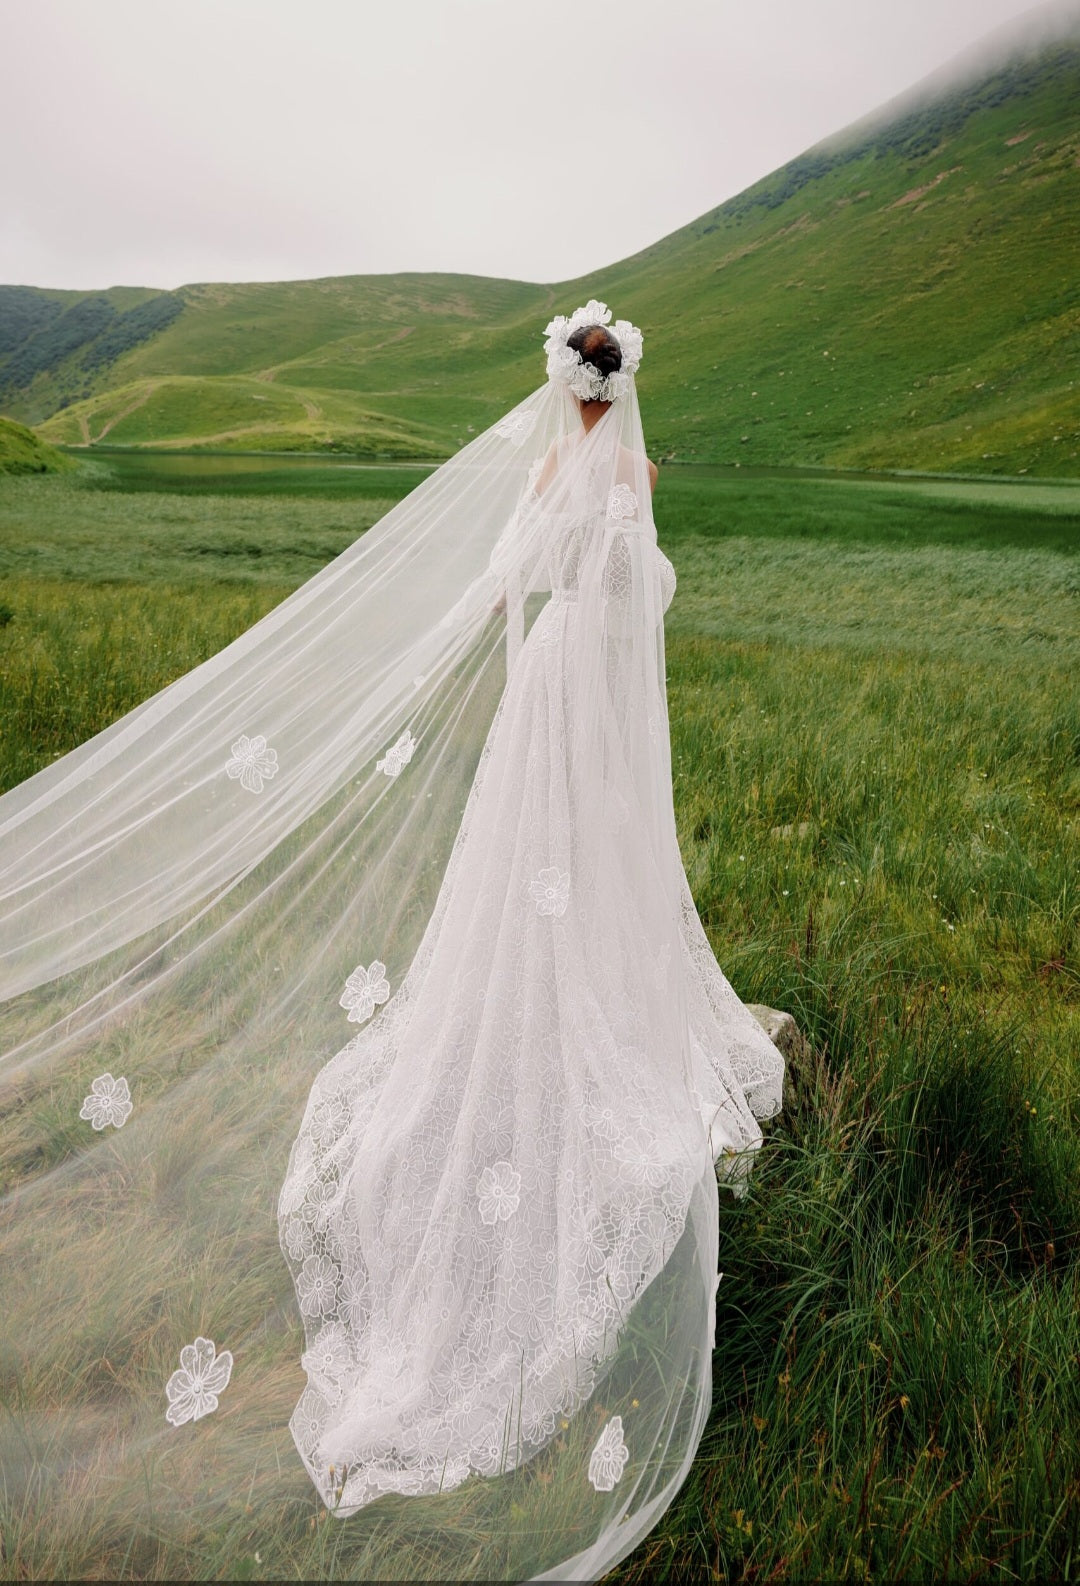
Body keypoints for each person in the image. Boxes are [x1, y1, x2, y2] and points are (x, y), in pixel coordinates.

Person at [0, 302, 784, 1582]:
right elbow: (639, 589)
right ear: (626, 382)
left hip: (553, 697)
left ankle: (531, 1011)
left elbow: (519, 577)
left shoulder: (550, 469)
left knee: (530, 869)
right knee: (590, 862)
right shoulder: (638, 474)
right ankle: (578, 1009)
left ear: (563, 381)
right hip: (597, 708)